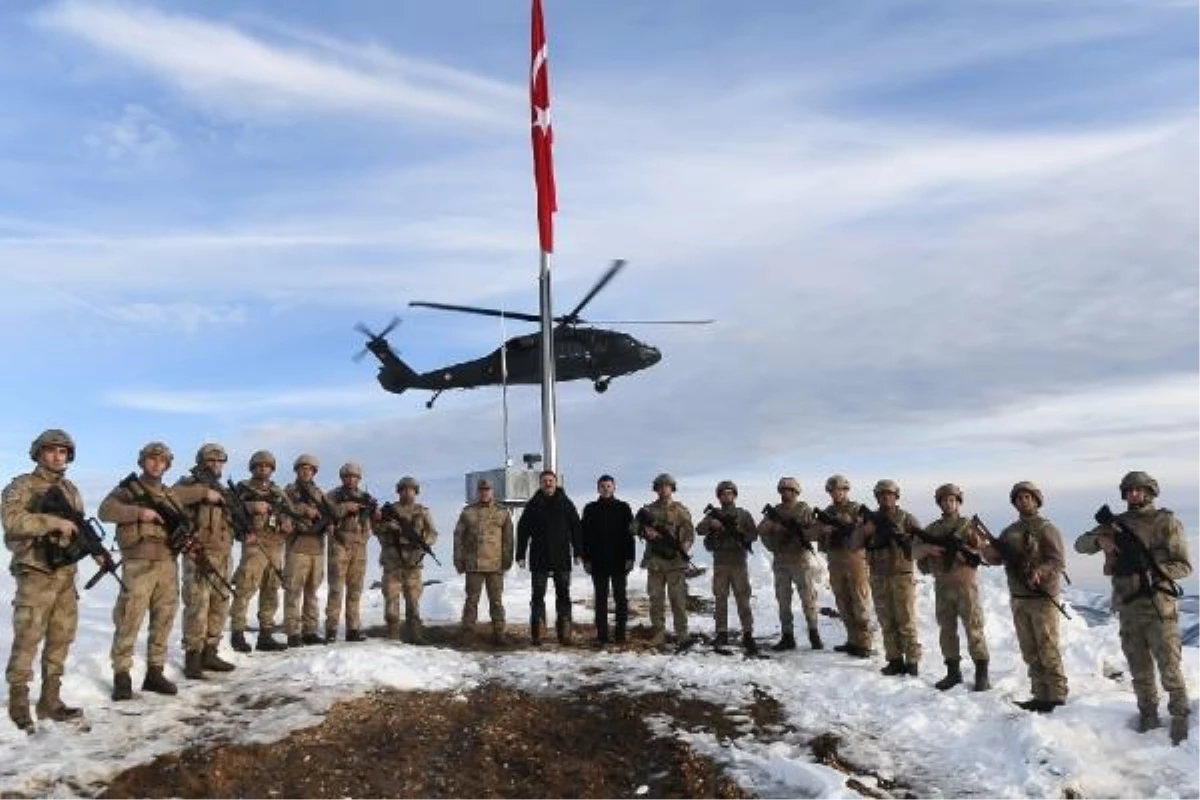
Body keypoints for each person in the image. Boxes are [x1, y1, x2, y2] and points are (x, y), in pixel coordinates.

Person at [1074, 471, 1191, 744]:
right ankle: (1147, 714)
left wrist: (1155, 572)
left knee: (1169, 666)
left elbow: (1184, 565)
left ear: (1150, 492)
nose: (1134, 495)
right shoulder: (1116, 524)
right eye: (1129, 491)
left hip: (1158, 605)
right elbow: (1080, 545)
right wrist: (1100, 540)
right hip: (1127, 606)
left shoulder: (1166, 522)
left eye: (1139, 490)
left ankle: (1179, 714)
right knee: (1138, 667)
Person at [2, 429, 87, 731]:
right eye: (50, 450)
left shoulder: (71, 489)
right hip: (36, 572)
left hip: (65, 574)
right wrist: (52, 522)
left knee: (61, 638)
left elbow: (76, 528)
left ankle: (50, 701)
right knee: (28, 638)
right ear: (38, 453)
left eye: (62, 452)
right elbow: (12, 521)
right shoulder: (22, 486)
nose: (56, 456)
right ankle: (18, 703)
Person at [99, 442, 184, 701]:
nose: (157, 464)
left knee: (164, 618)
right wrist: (139, 512)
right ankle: (122, 676)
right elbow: (105, 511)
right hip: (138, 562)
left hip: (168, 563)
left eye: (162, 461)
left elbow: (182, 524)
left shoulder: (171, 495)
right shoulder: (128, 489)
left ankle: (154, 673)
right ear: (142, 462)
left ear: (168, 465)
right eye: (152, 459)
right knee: (129, 618)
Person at [979, 481, 1068, 713]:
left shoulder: (1046, 528)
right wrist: (986, 551)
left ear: (1036, 500)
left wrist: (1040, 572)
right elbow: (997, 558)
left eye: (1027, 497)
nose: (1023, 501)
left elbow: (1057, 561)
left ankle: (1057, 696)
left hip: (1042, 598)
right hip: (1019, 597)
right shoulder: (1010, 531)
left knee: (1047, 647)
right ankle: (1040, 694)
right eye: (1018, 498)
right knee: (1030, 649)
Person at [172, 443, 238, 679]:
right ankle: (193, 656)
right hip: (198, 553)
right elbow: (173, 495)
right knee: (197, 605)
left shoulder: (223, 490)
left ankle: (211, 651)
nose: (216, 465)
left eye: (220, 462)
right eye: (211, 461)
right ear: (201, 462)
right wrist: (203, 493)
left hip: (223, 553)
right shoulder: (189, 484)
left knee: (220, 604)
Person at [919, 483, 989, 691]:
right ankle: (953, 672)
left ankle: (981, 674)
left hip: (965, 586)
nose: (948, 504)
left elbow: (983, 549)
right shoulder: (932, 529)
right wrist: (928, 548)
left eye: (952, 500)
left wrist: (973, 543)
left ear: (958, 502)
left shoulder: (968, 526)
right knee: (947, 630)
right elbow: (914, 553)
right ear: (939, 503)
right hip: (942, 586)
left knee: (974, 628)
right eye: (944, 500)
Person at [229, 450, 294, 653]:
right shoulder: (243, 488)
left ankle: (266, 634)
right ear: (253, 468)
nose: (263, 469)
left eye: (267, 466)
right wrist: (252, 506)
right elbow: (231, 511)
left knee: (271, 589)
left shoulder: (278, 491)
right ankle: (237, 632)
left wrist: (287, 523)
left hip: (275, 544)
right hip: (254, 544)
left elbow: (289, 512)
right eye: (259, 466)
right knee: (245, 587)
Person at [862, 479, 923, 676]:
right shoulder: (870, 519)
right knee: (886, 621)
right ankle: (894, 659)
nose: (885, 497)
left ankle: (912, 661)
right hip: (879, 575)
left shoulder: (907, 518)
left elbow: (920, 544)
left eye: (889, 494)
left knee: (906, 621)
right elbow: (855, 543)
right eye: (881, 495)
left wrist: (906, 540)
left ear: (896, 496)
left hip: (901, 576)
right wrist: (865, 531)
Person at [517, 470, 583, 645]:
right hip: (539, 556)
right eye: (545, 480)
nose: (548, 483)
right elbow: (523, 530)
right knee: (538, 595)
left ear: (556, 482)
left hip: (561, 556)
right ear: (540, 483)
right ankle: (538, 632)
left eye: (551, 480)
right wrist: (520, 554)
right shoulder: (533, 504)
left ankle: (565, 632)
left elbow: (576, 528)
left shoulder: (566, 503)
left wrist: (578, 552)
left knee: (563, 594)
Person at [631, 473, 695, 651]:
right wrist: (645, 531)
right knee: (656, 600)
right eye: (660, 486)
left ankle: (682, 634)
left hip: (675, 562)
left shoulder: (680, 510)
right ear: (656, 489)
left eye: (666, 486)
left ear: (672, 488)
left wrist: (683, 549)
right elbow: (632, 527)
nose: (663, 489)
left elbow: (690, 533)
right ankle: (659, 634)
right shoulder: (649, 510)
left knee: (678, 600)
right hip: (656, 562)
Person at [758, 477, 823, 651]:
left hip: (799, 560)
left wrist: (802, 533)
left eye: (790, 490)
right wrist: (774, 527)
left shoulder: (804, 510)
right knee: (783, 599)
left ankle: (813, 633)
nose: (786, 493)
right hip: (781, 560)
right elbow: (761, 530)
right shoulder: (774, 512)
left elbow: (816, 531)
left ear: (796, 492)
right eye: (784, 490)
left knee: (808, 597)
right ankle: (787, 636)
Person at [697, 480, 759, 654]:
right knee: (720, 599)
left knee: (743, 599)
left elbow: (754, 534)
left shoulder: (743, 514)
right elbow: (699, 529)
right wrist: (711, 524)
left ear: (735, 495)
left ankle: (747, 633)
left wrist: (741, 535)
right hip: (720, 563)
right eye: (723, 493)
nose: (727, 496)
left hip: (739, 562)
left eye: (730, 493)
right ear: (719, 496)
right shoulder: (713, 515)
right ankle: (721, 632)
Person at [376, 476, 438, 642]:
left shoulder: (422, 511)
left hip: (413, 562)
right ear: (399, 491)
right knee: (391, 600)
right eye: (404, 489)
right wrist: (388, 527)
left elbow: (433, 533)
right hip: (392, 562)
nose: (407, 493)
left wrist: (424, 542)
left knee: (413, 601)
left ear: (415, 492)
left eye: (411, 489)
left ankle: (415, 635)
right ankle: (393, 635)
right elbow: (377, 530)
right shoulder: (389, 510)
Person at [817, 475, 872, 658]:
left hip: (855, 559)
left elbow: (868, 532)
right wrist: (823, 531)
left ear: (846, 490)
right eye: (832, 490)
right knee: (842, 600)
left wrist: (849, 526)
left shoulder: (857, 509)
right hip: (835, 560)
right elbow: (816, 534)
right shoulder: (827, 512)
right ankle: (852, 640)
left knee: (859, 600)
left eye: (839, 490)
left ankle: (864, 643)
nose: (836, 493)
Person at [453, 478, 515, 646]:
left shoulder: (502, 512)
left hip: (495, 565)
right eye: (482, 490)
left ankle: (499, 633)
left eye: (487, 489)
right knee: (471, 600)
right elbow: (458, 537)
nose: (485, 492)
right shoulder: (468, 512)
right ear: (478, 492)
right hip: (473, 564)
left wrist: (507, 559)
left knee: (496, 601)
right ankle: (467, 633)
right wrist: (458, 560)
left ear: (492, 491)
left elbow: (508, 539)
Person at [325, 462, 377, 643]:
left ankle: (353, 628)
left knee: (355, 590)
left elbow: (374, 521)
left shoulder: (366, 497)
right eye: (347, 476)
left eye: (354, 477)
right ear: (342, 478)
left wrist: (375, 515)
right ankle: (331, 629)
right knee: (336, 589)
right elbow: (326, 514)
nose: (351, 479)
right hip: (339, 544)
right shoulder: (333, 495)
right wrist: (346, 507)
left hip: (359, 546)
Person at [580, 474, 634, 645]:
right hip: (598, 562)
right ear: (598, 488)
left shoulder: (623, 508)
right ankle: (602, 635)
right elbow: (584, 537)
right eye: (602, 486)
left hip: (619, 561)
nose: (605, 489)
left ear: (614, 487)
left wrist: (630, 557)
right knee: (601, 599)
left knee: (620, 598)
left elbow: (630, 535)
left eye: (608, 486)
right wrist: (586, 559)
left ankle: (620, 634)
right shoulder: (590, 509)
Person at [283, 454, 330, 647]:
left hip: (317, 548)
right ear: (296, 470)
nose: (306, 471)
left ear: (314, 472)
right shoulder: (289, 490)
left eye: (310, 469)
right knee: (293, 591)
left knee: (312, 592)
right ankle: (293, 633)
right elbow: (282, 509)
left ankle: (310, 631)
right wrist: (303, 509)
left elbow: (329, 514)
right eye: (302, 468)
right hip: (297, 547)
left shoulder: (320, 493)